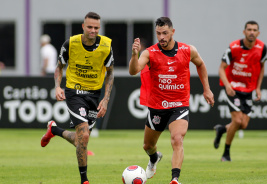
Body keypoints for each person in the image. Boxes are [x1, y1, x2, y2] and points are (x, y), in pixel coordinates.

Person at [129, 17, 214, 184]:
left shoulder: (187, 50)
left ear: (172, 32)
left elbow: (201, 64)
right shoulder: (150, 53)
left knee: (177, 138)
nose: (161, 37)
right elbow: (134, 71)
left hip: (179, 105)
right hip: (157, 107)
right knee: (148, 146)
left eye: (165, 33)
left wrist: (207, 89)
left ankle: (175, 179)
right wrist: (134, 54)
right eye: (158, 33)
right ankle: (154, 158)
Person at [40, 12, 114, 184]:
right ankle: (84, 180)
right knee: (85, 137)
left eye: (96, 28)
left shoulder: (106, 45)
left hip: (94, 95)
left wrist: (106, 99)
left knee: (81, 139)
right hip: (74, 91)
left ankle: (54, 130)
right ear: (83, 26)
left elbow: (110, 73)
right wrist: (58, 86)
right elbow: (59, 67)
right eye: (90, 27)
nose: (93, 31)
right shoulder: (71, 44)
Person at [214, 20, 267, 162]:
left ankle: (222, 129)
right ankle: (226, 154)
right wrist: (227, 86)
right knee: (237, 120)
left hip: (248, 89)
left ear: (258, 33)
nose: (251, 32)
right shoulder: (234, 47)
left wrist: (258, 87)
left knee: (243, 124)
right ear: (244, 32)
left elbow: (262, 68)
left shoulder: (262, 48)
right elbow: (221, 68)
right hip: (233, 88)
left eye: (254, 30)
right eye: (249, 29)